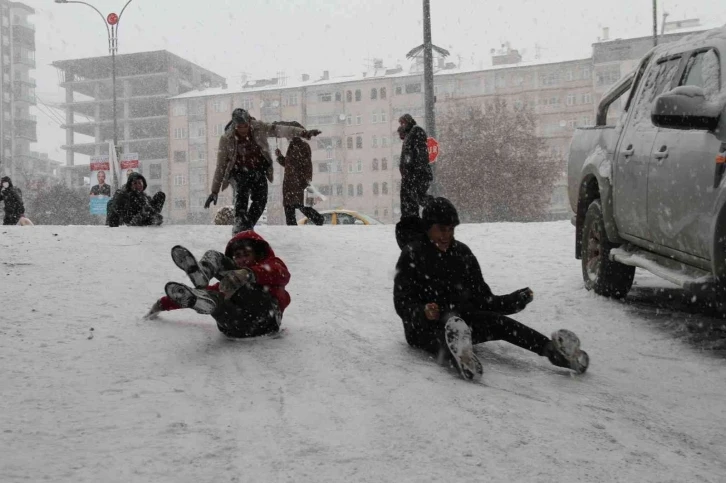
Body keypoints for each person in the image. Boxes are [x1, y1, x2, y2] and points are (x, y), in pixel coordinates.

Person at [393, 197, 589, 381]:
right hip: (424, 328)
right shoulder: (412, 255)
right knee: (441, 336)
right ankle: (460, 359)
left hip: (462, 320)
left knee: (499, 323)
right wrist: (423, 312)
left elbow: (483, 300)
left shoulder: (462, 253)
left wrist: (512, 302)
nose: (447, 236)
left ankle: (554, 352)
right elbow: (401, 302)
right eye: (441, 230)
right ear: (428, 229)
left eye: (451, 230)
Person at [144, 230, 291, 339]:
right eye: (238, 257)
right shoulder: (230, 283)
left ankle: (210, 290)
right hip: (236, 327)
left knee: (224, 272)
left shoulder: (271, 266)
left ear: (257, 254)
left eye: (247, 254)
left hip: (266, 319)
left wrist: (248, 273)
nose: (242, 260)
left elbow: (281, 274)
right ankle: (204, 288)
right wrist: (161, 304)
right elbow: (207, 290)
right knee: (215, 294)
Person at [205, 108, 322, 234]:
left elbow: (280, 129)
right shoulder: (227, 139)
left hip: (258, 170)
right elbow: (221, 166)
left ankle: (247, 226)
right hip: (238, 172)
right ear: (234, 125)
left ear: (249, 122)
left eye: (246, 126)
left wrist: (303, 133)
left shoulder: (259, 127)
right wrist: (214, 191)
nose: (243, 130)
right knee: (242, 193)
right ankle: (240, 220)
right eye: (240, 127)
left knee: (261, 200)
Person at [273, 121, 324, 226]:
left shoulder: (302, 146)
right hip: (290, 184)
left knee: (300, 206)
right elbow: (289, 164)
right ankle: (294, 229)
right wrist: (280, 157)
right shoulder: (292, 147)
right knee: (291, 208)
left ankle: (318, 219)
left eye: (289, 134)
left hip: (297, 183)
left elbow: (307, 166)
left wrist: (306, 182)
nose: (287, 137)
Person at [397, 114, 433, 218]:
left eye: (402, 123)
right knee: (408, 199)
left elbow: (420, 155)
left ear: (408, 121)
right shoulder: (410, 135)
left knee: (416, 196)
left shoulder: (416, 132)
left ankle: (436, 209)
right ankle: (410, 220)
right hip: (409, 176)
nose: (401, 125)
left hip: (416, 174)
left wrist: (416, 171)